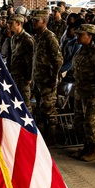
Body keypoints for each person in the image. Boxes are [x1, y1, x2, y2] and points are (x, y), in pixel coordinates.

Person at [70, 24, 95, 162]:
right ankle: (85, 146)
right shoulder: (80, 51)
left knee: (91, 121)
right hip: (81, 92)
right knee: (79, 121)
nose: (78, 36)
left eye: (81, 34)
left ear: (90, 36)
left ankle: (93, 149)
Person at [30, 11, 62, 140]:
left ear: (44, 21)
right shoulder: (37, 37)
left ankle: (52, 136)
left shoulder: (50, 37)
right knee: (40, 107)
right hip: (38, 79)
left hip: (47, 80)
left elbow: (58, 60)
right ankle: (43, 133)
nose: (34, 22)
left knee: (49, 108)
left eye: (36, 20)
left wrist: (54, 78)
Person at [7, 13, 34, 102]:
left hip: (23, 78)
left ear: (18, 23)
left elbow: (30, 60)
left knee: (25, 103)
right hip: (15, 75)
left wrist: (29, 77)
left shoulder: (27, 39)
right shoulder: (14, 38)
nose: (9, 25)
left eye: (12, 23)